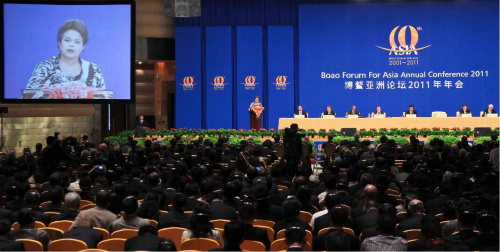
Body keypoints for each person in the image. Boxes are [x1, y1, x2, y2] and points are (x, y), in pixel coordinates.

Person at [26, 19, 105, 97]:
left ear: (83, 47)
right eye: (67, 40)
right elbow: (28, 97)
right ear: (59, 43)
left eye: (77, 42)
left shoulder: (93, 70)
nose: (71, 45)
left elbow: (103, 98)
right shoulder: (45, 67)